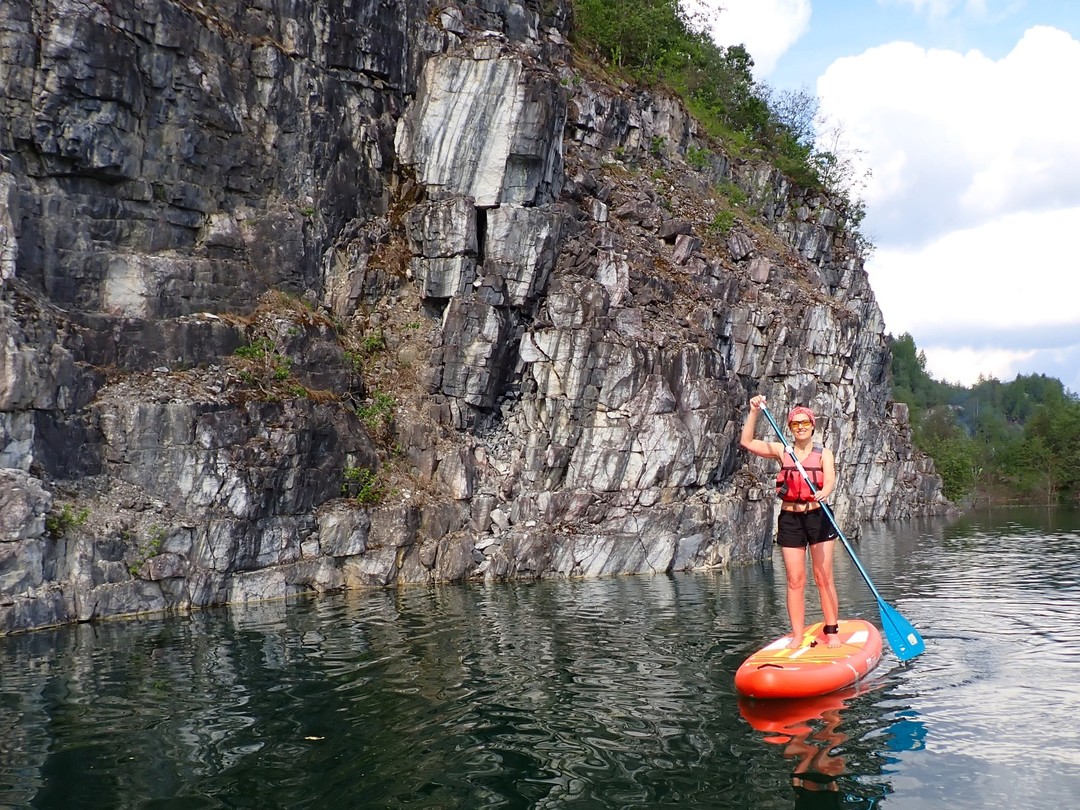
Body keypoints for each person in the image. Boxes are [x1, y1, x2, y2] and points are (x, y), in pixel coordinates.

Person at [740, 395, 840, 649]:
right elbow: (747, 441)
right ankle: (797, 635)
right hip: (790, 518)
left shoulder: (824, 453)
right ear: (790, 427)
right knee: (795, 580)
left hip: (818, 515)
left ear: (812, 425)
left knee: (823, 576)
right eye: (795, 424)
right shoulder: (781, 450)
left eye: (805, 422)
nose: (801, 427)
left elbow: (829, 479)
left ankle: (832, 631)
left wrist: (825, 491)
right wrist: (754, 412)